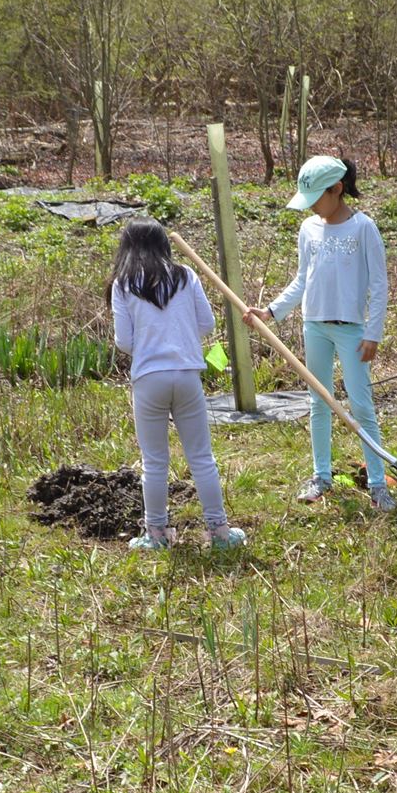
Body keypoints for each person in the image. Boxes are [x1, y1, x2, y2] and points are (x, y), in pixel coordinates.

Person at [246, 154, 395, 512]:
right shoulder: (309, 230)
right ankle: (321, 475)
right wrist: (271, 311)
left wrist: (373, 334)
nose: (311, 207)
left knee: (360, 405)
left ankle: (377, 484)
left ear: (338, 189)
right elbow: (302, 280)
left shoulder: (363, 228)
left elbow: (379, 284)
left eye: (316, 199)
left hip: (352, 332)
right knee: (318, 401)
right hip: (314, 326)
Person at [110, 218, 247, 553]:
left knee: (155, 461)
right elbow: (207, 323)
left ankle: (156, 535)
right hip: (187, 375)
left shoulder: (123, 284)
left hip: (148, 379)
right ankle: (219, 532)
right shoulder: (186, 275)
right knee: (202, 457)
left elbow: (124, 341)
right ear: (163, 246)